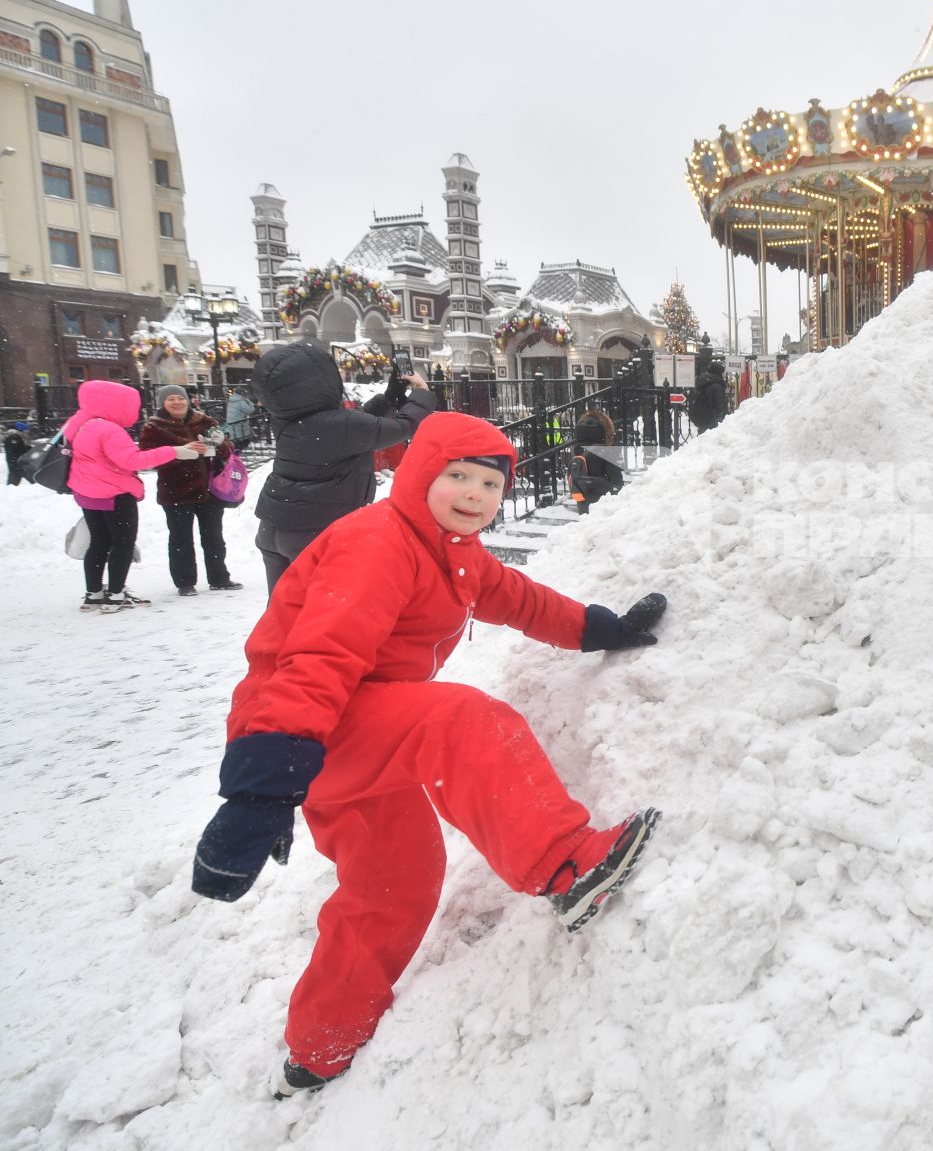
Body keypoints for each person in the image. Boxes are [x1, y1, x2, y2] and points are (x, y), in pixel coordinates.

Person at [189, 411, 669, 1097]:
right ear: (419, 477)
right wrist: (258, 792)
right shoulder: (378, 544)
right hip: (307, 729)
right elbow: (317, 662)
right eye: (457, 477)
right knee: (463, 719)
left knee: (397, 880)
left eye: (488, 484)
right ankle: (566, 865)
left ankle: (321, 1043)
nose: (474, 495)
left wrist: (604, 628)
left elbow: (519, 599)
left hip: (358, 731)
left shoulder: (454, 551)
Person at [252, 341, 436, 592]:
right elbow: (401, 428)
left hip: (276, 527)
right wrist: (422, 395)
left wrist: (391, 396)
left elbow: (354, 424)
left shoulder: (288, 416)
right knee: (321, 615)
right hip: (313, 533)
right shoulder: (339, 426)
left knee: (282, 616)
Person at [62, 380, 207, 612]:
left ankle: (94, 595)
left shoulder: (80, 424)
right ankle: (116, 596)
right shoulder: (109, 429)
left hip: (88, 493)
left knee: (98, 543)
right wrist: (175, 451)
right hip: (115, 494)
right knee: (122, 544)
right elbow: (132, 460)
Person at [138, 385, 242, 596]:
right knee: (180, 539)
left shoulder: (205, 422)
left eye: (180, 398)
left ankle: (219, 577)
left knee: (214, 537)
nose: (177, 402)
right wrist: (177, 454)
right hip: (176, 492)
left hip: (210, 491)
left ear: (188, 400)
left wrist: (220, 444)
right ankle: (185, 582)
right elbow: (148, 458)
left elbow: (226, 450)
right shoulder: (154, 427)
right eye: (171, 399)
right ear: (162, 403)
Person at [568, 414, 625, 514]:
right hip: (603, 502)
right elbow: (616, 478)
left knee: (586, 525)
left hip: (582, 497)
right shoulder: (605, 451)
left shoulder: (575, 449)